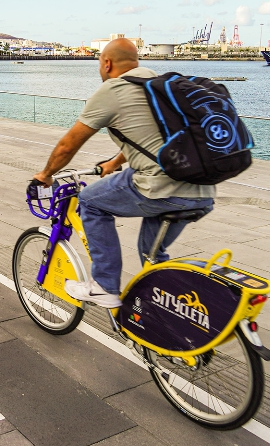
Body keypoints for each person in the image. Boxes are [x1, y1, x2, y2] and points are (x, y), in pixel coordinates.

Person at [32, 39, 215, 308]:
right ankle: (168, 319)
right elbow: (154, 136)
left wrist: (46, 174)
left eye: (99, 63)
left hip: (161, 186)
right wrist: (116, 160)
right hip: (202, 190)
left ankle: (104, 286)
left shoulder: (113, 89)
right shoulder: (161, 85)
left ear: (106, 63)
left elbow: (68, 144)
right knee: (152, 256)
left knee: (90, 202)